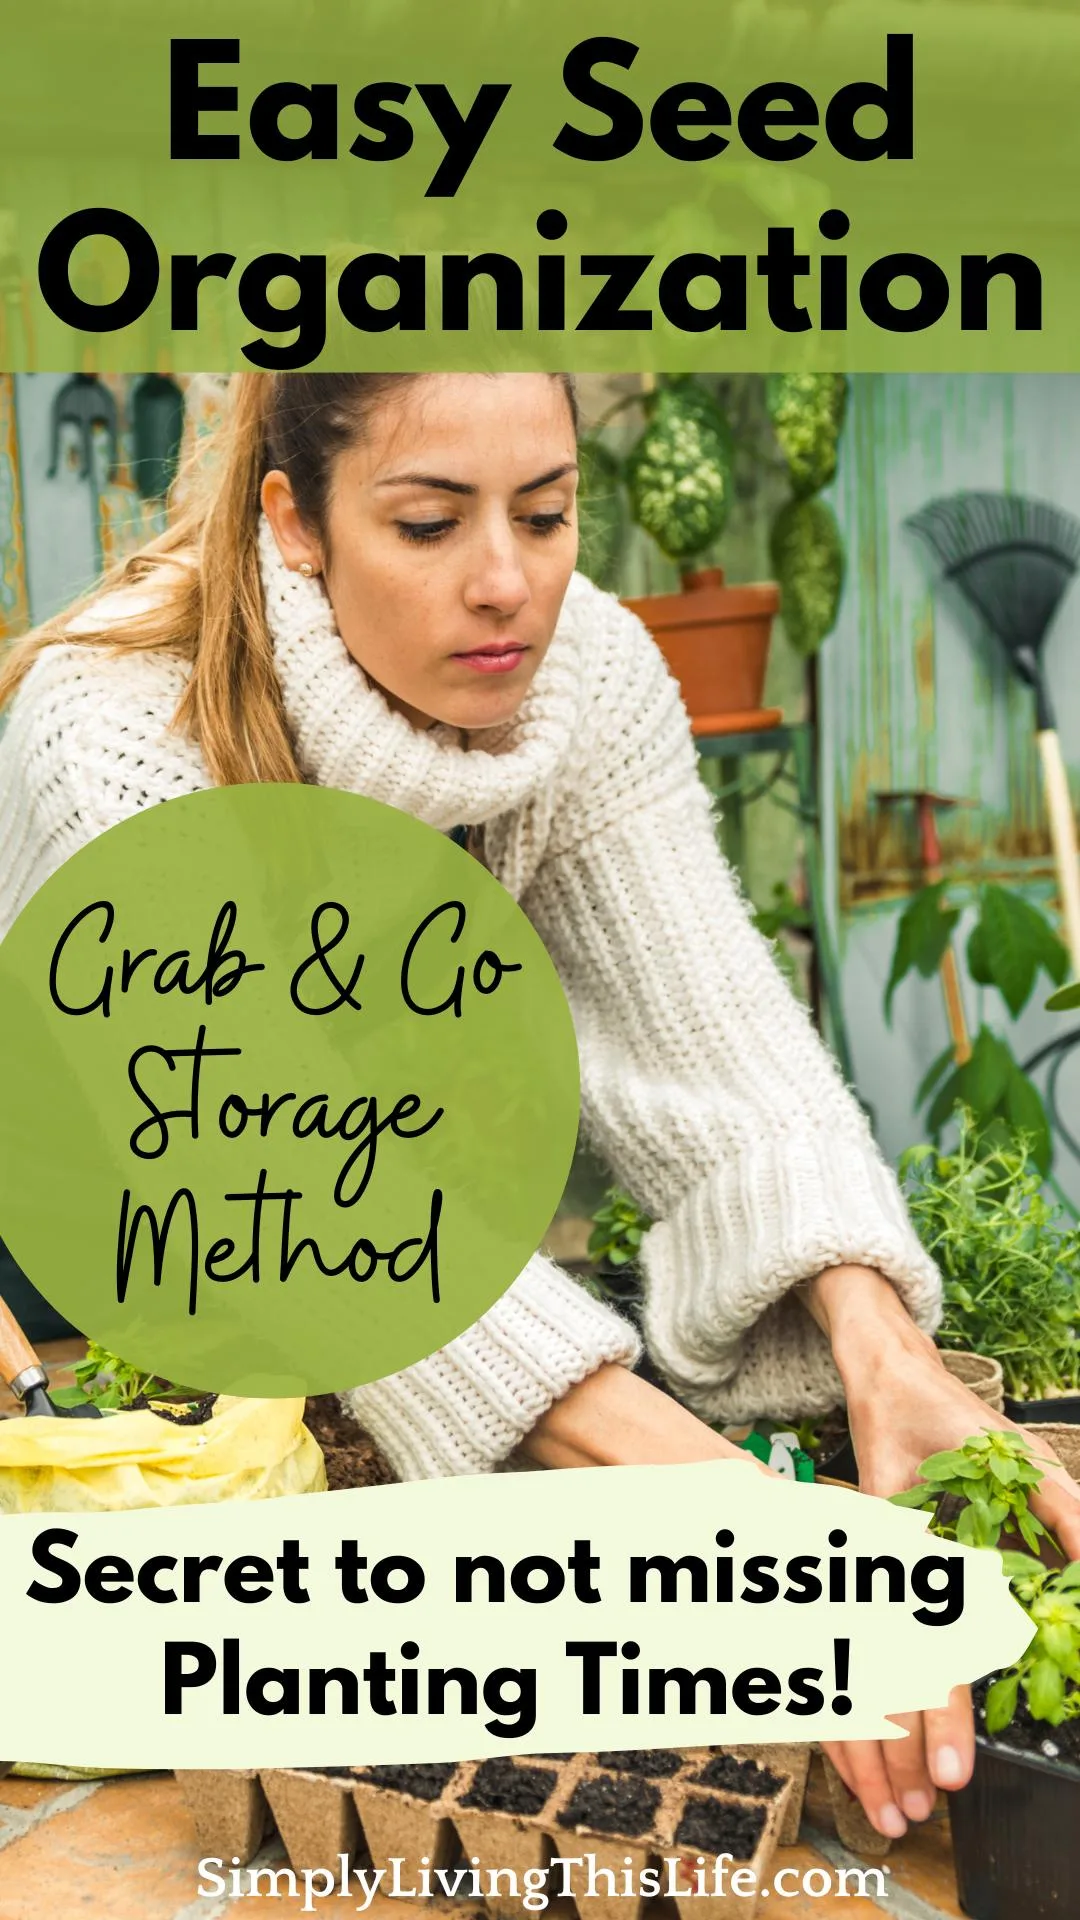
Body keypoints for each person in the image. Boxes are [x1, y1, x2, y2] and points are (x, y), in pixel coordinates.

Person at [1, 370, 1078, 1838]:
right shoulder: (113, 724)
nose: (506, 582)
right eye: (431, 523)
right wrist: (764, 1545)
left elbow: (726, 1053)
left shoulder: (587, 676)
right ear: (295, 519)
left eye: (550, 512)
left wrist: (882, 1346)